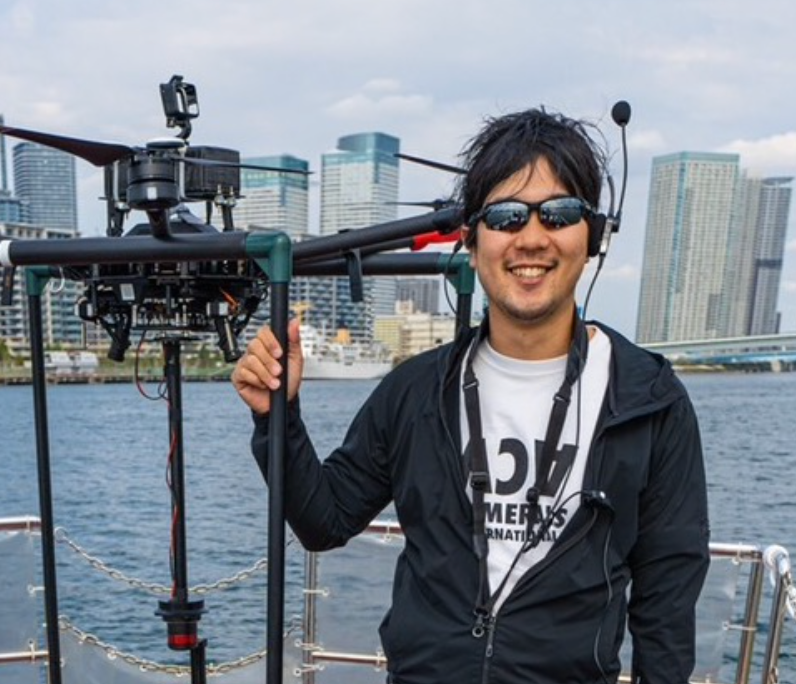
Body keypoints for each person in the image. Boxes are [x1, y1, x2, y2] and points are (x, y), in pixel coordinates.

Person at [232, 106, 711, 684]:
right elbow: (325, 520)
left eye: (558, 214)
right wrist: (277, 418)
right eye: (506, 216)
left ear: (592, 235)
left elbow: (666, 603)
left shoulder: (650, 399)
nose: (531, 238)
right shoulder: (416, 390)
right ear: (471, 238)